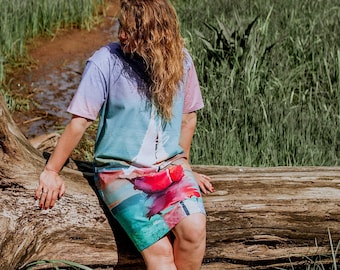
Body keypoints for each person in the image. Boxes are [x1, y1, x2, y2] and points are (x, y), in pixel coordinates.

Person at [35, 0, 214, 269]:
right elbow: (79, 122)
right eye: (121, 26)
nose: (121, 34)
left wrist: (184, 162)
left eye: (130, 29)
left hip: (169, 167)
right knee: (161, 252)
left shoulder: (182, 61)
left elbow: (189, 117)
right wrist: (51, 170)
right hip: (120, 173)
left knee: (195, 232)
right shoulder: (105, 61)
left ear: (154, 31)